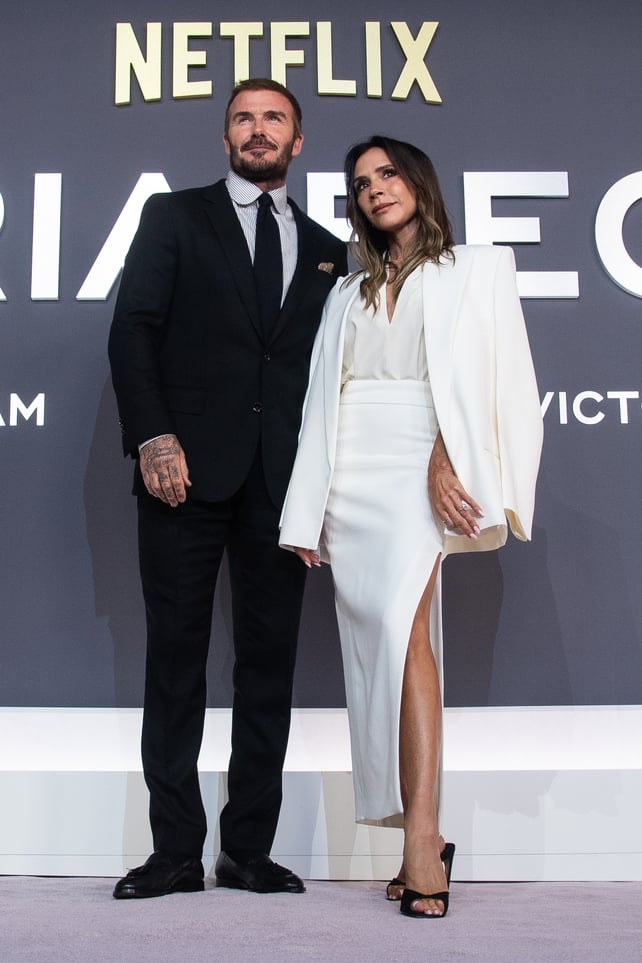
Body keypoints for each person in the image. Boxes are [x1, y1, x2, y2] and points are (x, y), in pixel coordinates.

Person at [279, 135, 543, 918]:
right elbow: (324, 404)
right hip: (353, 471)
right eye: (360, 183)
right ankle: (412, 838)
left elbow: (491, 379)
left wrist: (447, 455)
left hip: (423, 465)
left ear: (419, 182)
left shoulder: (474, 272)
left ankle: (422, 839)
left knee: (408, 633)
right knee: (378, 654)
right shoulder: (346, 293)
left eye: (387, 173)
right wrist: (309, 505)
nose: (373, 189)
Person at [108, 78, 347, 900]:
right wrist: (152, 434)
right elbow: (133, 328)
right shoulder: (174, 217)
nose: (258, 130)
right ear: (224, 138)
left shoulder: (326, 248)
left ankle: (247, 850)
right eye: (243, 118)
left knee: (267, 670)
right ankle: (174, 850)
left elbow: (323, 378)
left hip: (280, 487)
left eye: (273, 118)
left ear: (297, 140)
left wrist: (319, 491)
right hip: (181, 476)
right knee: (174, 664)